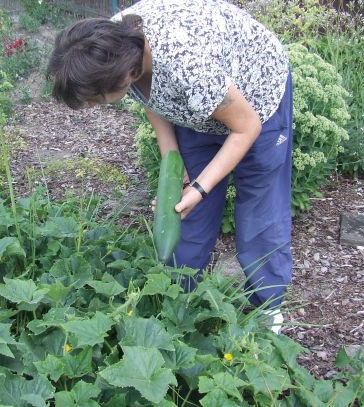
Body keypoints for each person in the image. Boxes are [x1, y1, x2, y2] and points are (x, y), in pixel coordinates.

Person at [47, 0, 292, 333]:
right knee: (185, 211)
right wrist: (172, 165)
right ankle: (180, 298)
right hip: (196, 96)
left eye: (94, 100)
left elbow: (246, 127)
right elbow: (150, 96)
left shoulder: (186, 63)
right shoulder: (110, 43)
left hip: (255, 93)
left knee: (260, 205)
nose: (92, 107)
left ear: (124, 76)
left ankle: (267, 309)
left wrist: (201, 187)